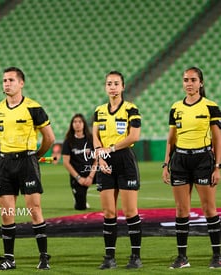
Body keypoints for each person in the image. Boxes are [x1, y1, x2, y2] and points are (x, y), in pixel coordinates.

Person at [0, 67, 55, 271]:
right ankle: (9, 259)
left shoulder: (34, 108)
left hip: (27, 162)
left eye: (11, 80)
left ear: (21, 83)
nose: (7, 84)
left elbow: (49, 138)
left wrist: (36, 155)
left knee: (34, 209)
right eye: (4, 80)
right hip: (6, 164)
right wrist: (5, 152)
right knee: (7, 212)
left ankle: (43, 257)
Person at [162, 66, 221, 269]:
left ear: (201, 83)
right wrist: (165, 163)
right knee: (181, 210)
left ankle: (217, 256)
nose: (189, 83)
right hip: (180, 161)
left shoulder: (210, 106)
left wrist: (218, 167)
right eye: (186, 80)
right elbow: (171, 139)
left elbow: (218, 138)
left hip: (203, 160)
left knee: (209, 209)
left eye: (193, 80)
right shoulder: (175, 107)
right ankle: (182, 258)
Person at [92, 71, 142, 269]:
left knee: (130, 211)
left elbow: (134, 137)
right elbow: (95, 135)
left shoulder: (131, 109)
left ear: (123, 87)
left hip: (125, 160)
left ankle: (135, 257)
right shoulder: (99, 111)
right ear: (105, 87)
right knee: (108, 212)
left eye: (116, 84)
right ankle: (109, 258)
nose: (112, 87)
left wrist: (110, 149)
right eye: (109, 83)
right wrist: (99, 154)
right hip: (105, 161)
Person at [61, 113, 96, 210]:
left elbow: (97, 159)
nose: (77, 124)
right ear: (72, 125)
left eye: (80, 122)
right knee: (81, 207)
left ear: (84, 124)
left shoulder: (91, 139)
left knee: (108, 178)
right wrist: (78, 178)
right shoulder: (68, 141)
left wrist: (90, 176)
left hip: (92, 172)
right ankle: (78, 198)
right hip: (77, 175)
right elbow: (66, 162)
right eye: (75, 122)